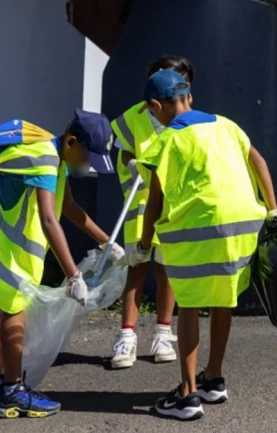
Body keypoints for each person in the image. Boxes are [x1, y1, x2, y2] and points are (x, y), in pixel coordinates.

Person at [122, 70, 277, 421]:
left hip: (198, 229)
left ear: (156, 106)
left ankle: (186, 396)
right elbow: (258, 162)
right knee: (222, 300)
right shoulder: (228, 125)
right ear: (190, 97)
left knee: (190, 306)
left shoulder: (166, 140)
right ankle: (213, 379)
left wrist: (143, 244)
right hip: (244, 226)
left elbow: (155, 200)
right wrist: (273, 212)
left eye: (152, 112)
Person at [0, 110, 124, 419]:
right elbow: (50, 220)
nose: (88, 165)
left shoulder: (56, 158)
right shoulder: (45, 159)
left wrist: (106, 240)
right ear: (70, 142)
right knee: (14, 303)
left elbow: (68, 207)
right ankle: (12, 393)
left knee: (3, 304)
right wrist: (73, 276)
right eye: (87, 157)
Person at [108, 55, 195, 369]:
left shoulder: (190, 120)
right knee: (137, 267)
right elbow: (124, 151)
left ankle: (162, 331)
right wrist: (131, 164)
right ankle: (126, 337)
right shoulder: (134, 116)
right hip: (143, 202)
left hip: (174, 203)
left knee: (167, 269)